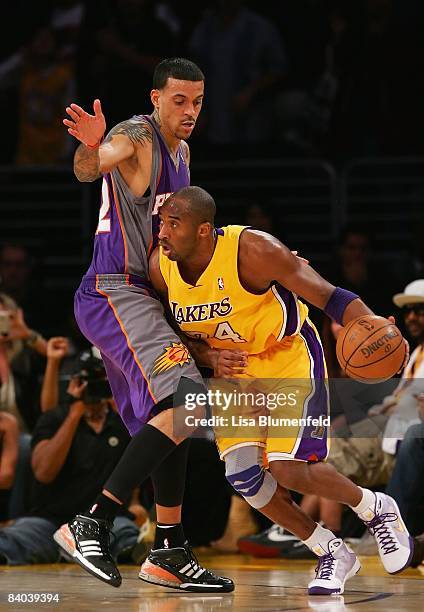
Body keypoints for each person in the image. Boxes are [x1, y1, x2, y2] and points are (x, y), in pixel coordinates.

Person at [149, 185, 413, 596]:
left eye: (173, 223)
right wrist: (210, 358)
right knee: (244, 476)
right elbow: (168, 334)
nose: (162, 233)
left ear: (203, 230)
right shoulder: (160, 267)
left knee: (288, 467)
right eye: (160, 223)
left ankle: (374, 507)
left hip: (285, 354)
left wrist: (375, 325)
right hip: (233, 370)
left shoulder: (254, 250)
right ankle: (331, 551)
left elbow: (331, 296)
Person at [54, 58, 233, 593]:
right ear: (156, 99)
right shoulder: (136, 135)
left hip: (146, 295)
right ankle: (91, 521)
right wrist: (91, 146)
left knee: (168, 423)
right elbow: (93, 166)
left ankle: (170, 550)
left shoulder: (182, 151)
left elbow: (168, 250)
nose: (190, 111)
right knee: (187, 403)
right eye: (179, 100)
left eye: (198, 101)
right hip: (115, 290)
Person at [0, 353, 139, 565]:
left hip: (104, 521)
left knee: (128, 535)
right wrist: (74, 415)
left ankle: (114, 551)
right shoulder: (54, 418)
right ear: (73, 383)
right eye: (85, 381)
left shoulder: (123, 424)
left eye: (101, 380)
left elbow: (134, 476)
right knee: (16, 536)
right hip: (51, 522)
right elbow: (44, 473)